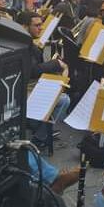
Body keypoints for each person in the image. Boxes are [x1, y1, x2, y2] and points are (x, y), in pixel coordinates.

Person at [20, 11, 70, 148]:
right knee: (64, 99)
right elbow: (32, 71)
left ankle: (40, 131)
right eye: (37, 25)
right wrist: (55, 64)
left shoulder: (26, 41)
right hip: (26, 89)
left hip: (30, 85)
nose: (41, 28)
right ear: (24, 27)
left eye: (41, 25)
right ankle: (39, 136)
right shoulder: (24, 44)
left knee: (62, 95)